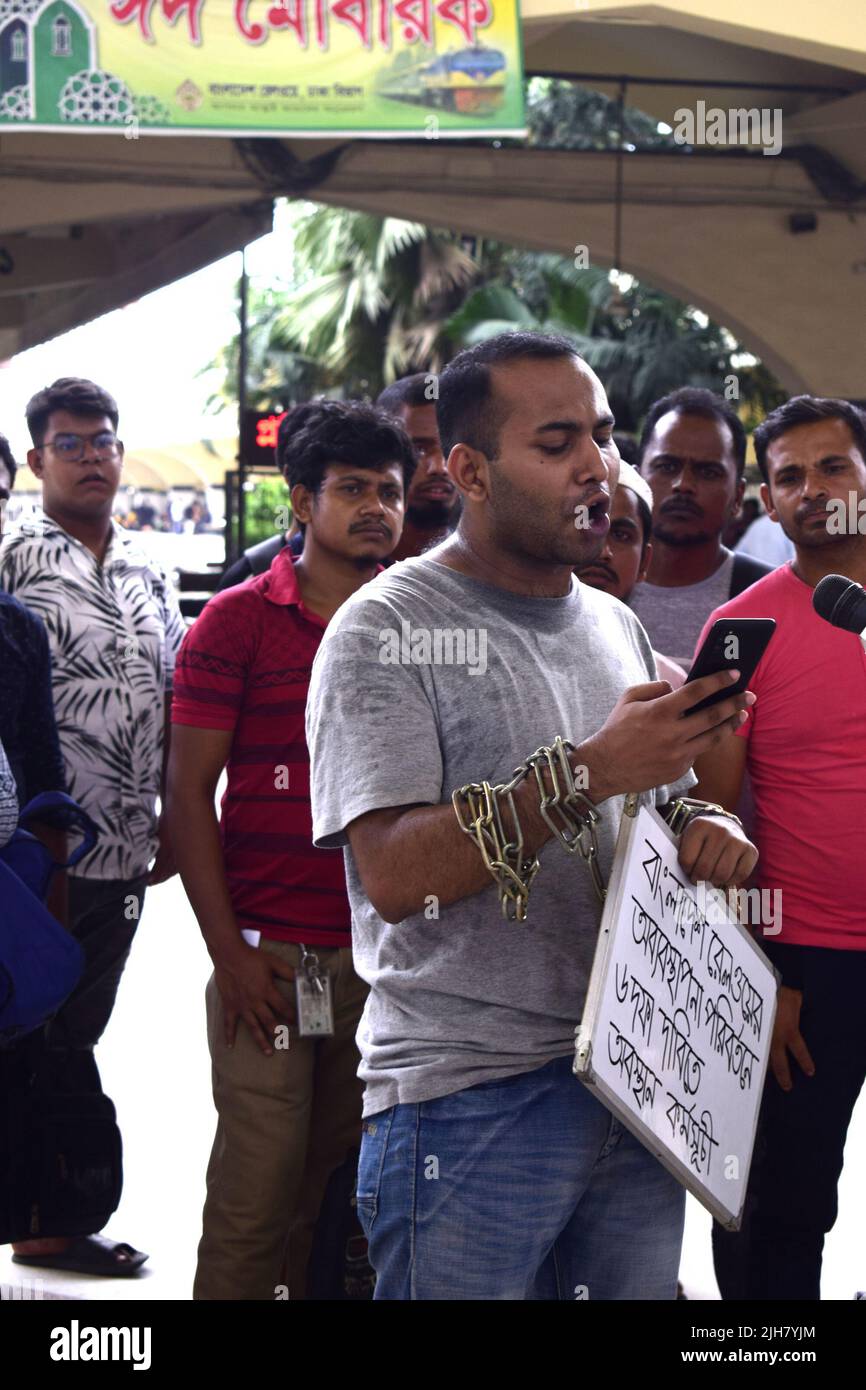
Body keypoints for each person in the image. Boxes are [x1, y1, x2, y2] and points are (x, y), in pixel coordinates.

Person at [305, 331, 757, 1301]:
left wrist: (698, 830)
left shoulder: (611, 621)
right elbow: (392, 875)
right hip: (466, 1102)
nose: (597, 466)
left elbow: (653, 803)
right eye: (556, 443)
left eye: (599, 434)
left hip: (637, 1085)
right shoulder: (384, 629)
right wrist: (588, 770)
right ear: (466, 468)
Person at [168, 399, 417, 1301]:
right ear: (301, 502)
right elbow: (188, 795)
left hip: (387, 964)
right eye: (351, 490)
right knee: (254, 1192)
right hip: (271, 961)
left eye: (388, 491)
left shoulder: (418, 623)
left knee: (333, 1194)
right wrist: (227, 954)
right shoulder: (235, 622)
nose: (375, 509)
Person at [0, 377, 185, 1278]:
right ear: (36, 460)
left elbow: (177, 697)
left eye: (104, 440)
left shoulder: (150, 569)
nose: (92, 456)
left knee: (73, 1029)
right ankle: (44, 1213)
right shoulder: (11, 556)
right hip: (31, 856)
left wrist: (179, 825)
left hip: (123, 849)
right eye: (69, 443)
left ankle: (47, 1208)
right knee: (27, 1024)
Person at [692, 395, 866, 1301]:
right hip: (808, 964)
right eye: (790, 475)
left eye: (833, 466)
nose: (813, 490)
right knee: (782, 1213)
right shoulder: (740, 632)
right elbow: (710, 824)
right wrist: (759, 975)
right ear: (766, 499)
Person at [631, 387, 772, 669]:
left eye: (708, 472)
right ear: (636, 481)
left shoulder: (766, 599)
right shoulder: (584, 585)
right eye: (667, 466)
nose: (683, 485)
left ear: (738, 496)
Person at [575, 458, 686, 688]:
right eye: (587, 525)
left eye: (621, 535)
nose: (603, 551)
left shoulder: (669, 685)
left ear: (645, 562)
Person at [375, 373, 461, 561]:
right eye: (419, 449)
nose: (440, 467)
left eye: (450, 448)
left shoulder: (494, 569)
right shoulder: (336, 567)